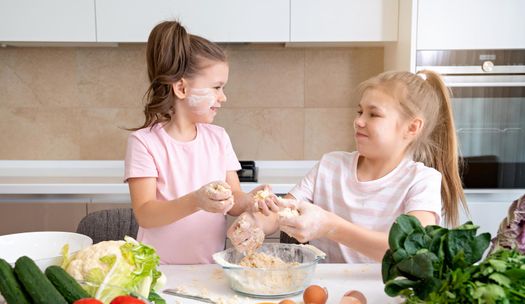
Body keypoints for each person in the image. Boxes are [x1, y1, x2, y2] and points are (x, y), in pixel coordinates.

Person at [228, 70, 467, 263]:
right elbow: (282, 214)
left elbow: (412, 251)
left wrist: (330, 227)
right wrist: (257, 223)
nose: (359, 121)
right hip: (328, 289)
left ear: (412, 128)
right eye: (360, 111)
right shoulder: (330, 166)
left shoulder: (422, 181)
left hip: (386, 293)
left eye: (374, 115)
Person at [124, 21, 268, 264]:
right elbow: (146, 214)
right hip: (158, 270)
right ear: (181, 88)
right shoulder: (144, 142)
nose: (223, 97)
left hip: (208, 268)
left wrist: (250, 201)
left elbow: (232, 199)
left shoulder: (218, 137)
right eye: (216, 87)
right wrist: (196, 201)